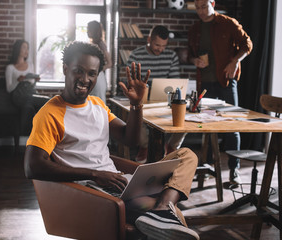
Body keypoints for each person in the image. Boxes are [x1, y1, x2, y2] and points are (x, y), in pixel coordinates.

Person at [24, 41, 199, 240]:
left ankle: (161, 209)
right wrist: (95, 174)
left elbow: (130, 139)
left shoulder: (97, 104)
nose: (85, 79)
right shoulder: (50, 113)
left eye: (92, 73)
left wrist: (136, 105)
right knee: (174, 217)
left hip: (120, 183)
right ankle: (161, 211)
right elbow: (33, 166)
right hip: (91, 191)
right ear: (65, 69)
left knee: (187, 156)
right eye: (78, 71)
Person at [166, 0, 253, 185]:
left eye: (204, 6)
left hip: (226, 82)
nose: (201, 11)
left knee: (232, 125)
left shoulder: (228, 23)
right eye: (197, 8)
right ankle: (206, 167)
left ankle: (234, 169)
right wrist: (194, 60)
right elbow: (190, 54)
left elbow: (247, 45)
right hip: (204, 84)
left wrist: (235, 61)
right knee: (205, 125)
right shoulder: (194, 29)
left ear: (212, 3)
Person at [126, 25, 180, 163]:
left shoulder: (171, 56)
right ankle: (144, 147)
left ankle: (171, 147)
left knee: (183, 114)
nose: (160, 49)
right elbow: (130, 81)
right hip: (142, 99)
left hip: (164, 100)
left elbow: (175, 81)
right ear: (149, 39)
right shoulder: (136, 55)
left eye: (163, 46)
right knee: (138, 113)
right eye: (157, 45)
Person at [5, 39, 49, 134]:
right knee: (47, 100)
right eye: (24, 48)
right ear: (18, 49)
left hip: (30, 93)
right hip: (18, 95)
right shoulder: (10, 68)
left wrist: (35, 81)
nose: (26, 51)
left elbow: (32, 86)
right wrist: (18, 81)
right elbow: (9, 89)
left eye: (27, 48)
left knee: (28, 107)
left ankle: (31, 135)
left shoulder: (30, 65)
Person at [87, 20, 113, 103]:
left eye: (88, 29)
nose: (87, 32)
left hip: (98, 78)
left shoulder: (101, 44)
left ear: (93, 31)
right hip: (92, 76)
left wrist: (97, 70)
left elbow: (110, 63)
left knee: (98, 103)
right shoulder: (92, 43)